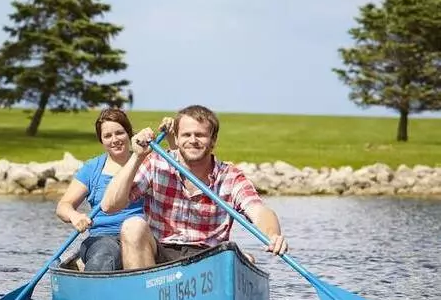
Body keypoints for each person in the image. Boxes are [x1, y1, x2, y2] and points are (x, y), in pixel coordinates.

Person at [100, 104, 289, 269]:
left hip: (210, 257)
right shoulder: (156, 162)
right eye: (186, 135)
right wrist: (137, 156)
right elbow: (109, 206)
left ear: (213, 141)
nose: (192, 140)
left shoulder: (230, 175)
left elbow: (258, 210)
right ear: (177, 137)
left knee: (243, 259)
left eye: (200, 135)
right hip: (162, 256)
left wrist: (272, 234)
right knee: (132, 226)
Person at [55, 107, 145, 271]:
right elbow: (63, 206)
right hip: (103, 238)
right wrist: (74, 216)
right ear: (101, 140)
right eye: (107, 136)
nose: (115, 139)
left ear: (129, 133)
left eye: (120, 133)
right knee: (105, 255)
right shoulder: (92, 168)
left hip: (142, 237)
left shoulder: (146, 162)